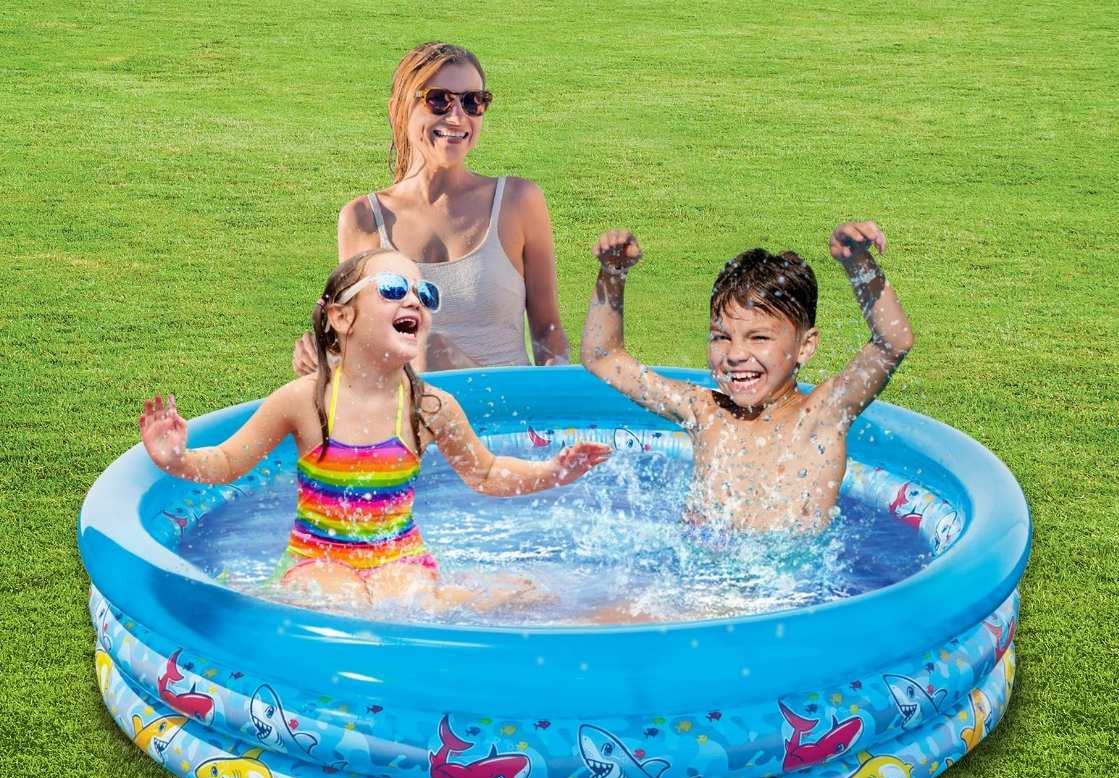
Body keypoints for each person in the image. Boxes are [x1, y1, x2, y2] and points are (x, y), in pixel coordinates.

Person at [143, 249, 609, 612]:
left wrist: (552, 472)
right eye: (391, 288)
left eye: (425, 296)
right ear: (342, 318)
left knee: (408, 604)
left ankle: (498, 596)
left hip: (399, 558)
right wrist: (176, 459)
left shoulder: (430, 407)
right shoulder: (303, 401)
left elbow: (485, 474)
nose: (413, 300)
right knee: (336, 601)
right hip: (317, 559)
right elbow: (227, 463)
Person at [580, 221, 913, 534]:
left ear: (805, 346)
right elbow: (604, 357)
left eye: (759, 338)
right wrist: (613, 272)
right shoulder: (705, 412)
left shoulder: (821, 417)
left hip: (789, 595)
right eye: (721, 337)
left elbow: (892, 342)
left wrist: (858, 263)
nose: (735, 354)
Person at [294, 42, 569, 374]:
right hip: (412, 416)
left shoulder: (518, 201)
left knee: (429, 346)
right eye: (438, 99)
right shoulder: (363, 220)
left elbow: (548, 331)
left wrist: (550, 404)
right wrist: (326, 360)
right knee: (424, 347)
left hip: (504, 413)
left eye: (473, 102)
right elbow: (360, 345)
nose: (457, 116)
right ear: (398, 109)